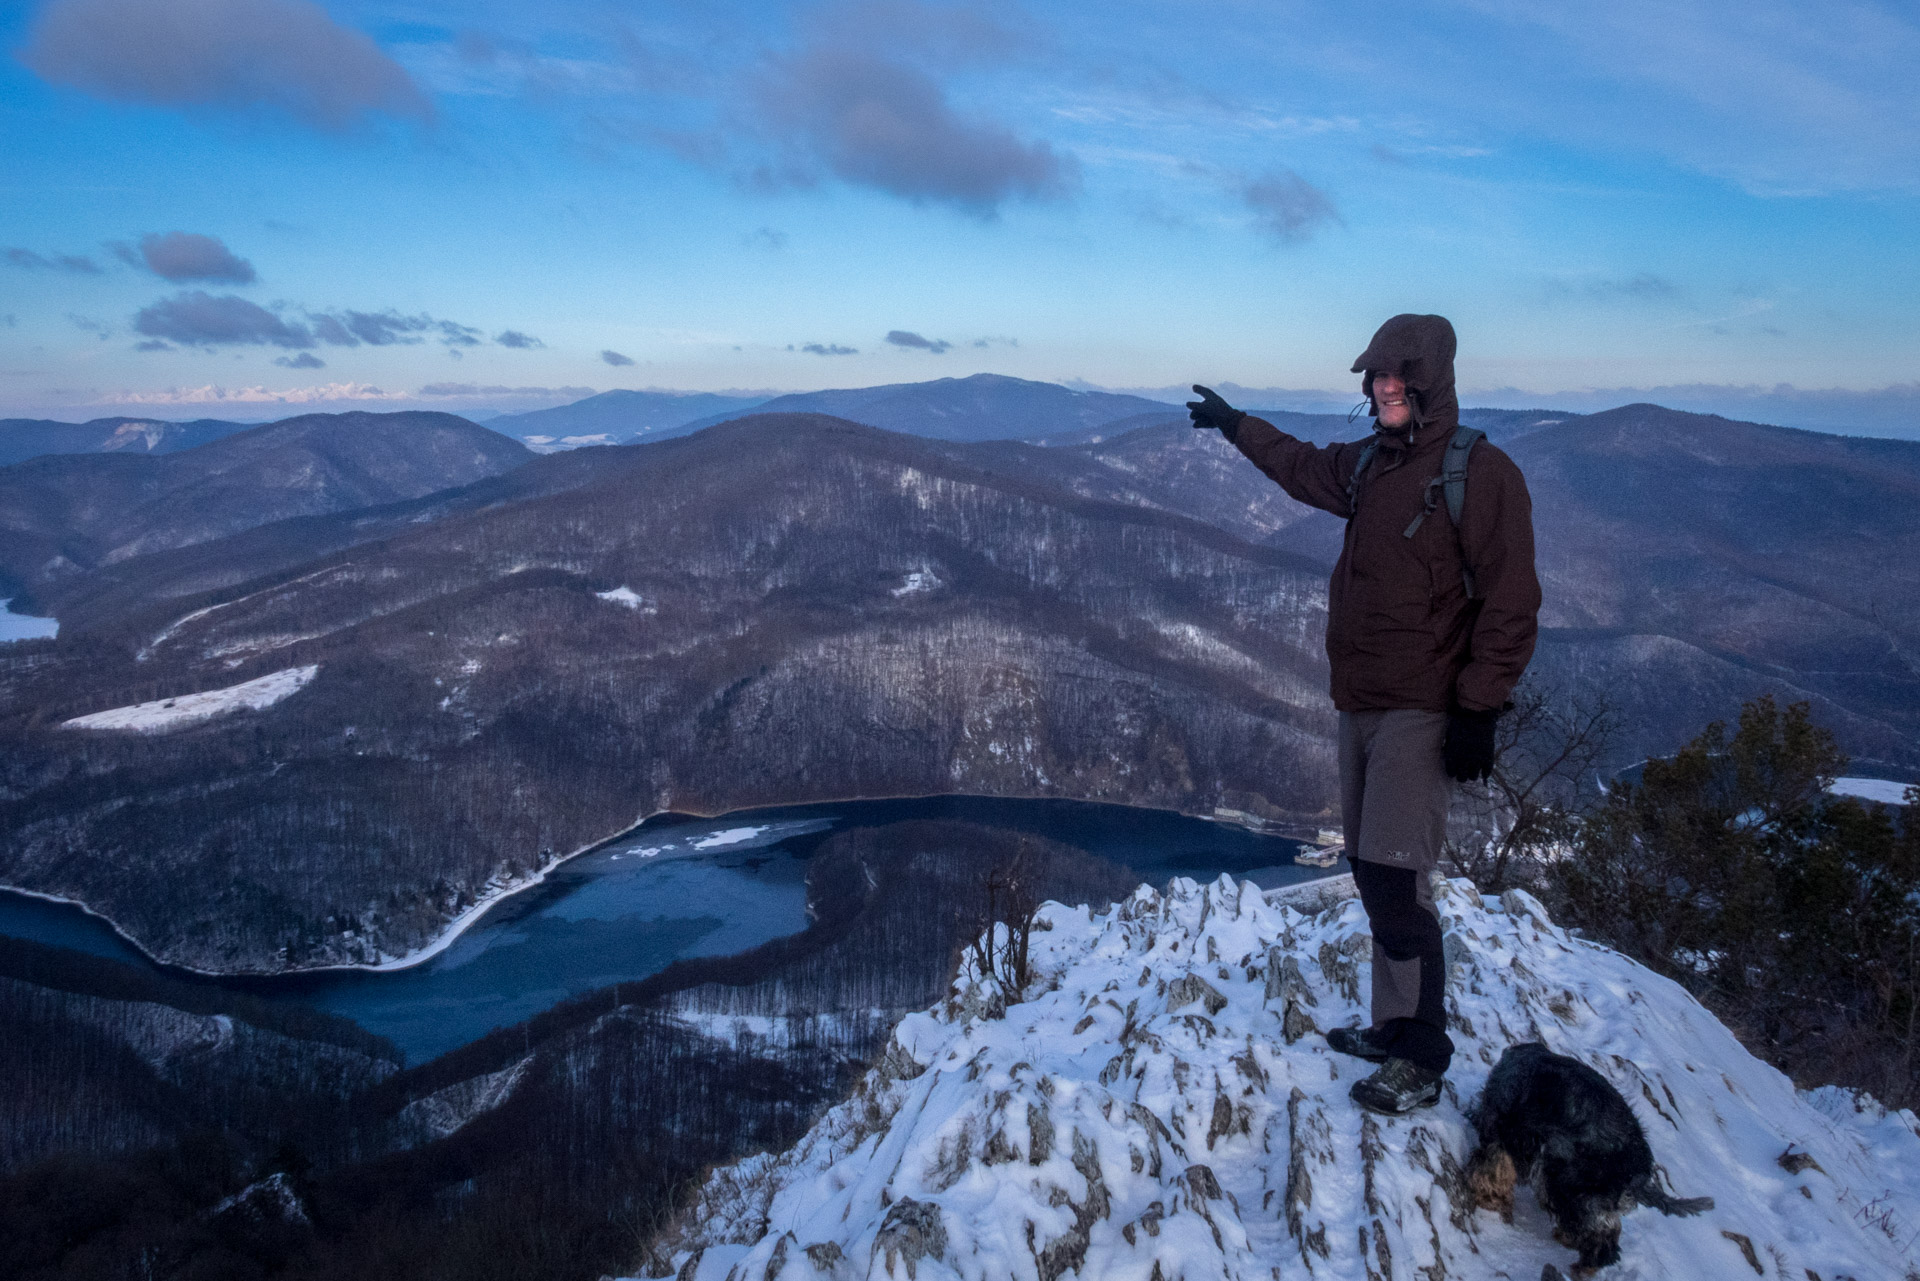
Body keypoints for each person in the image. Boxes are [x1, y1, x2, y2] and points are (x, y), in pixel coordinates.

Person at [1187, 313, 1541, 1114]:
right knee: (1371, 864)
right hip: (1362, 701)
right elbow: (1302, 466)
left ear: (1430, 382)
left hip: (1422, 706)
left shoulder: (1481, 474)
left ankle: (1422, 1051)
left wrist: (1479, 706)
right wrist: (1236, 425)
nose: (1384, 387)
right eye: (1376, 376)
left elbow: (1513, 598)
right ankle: (1393, 1024)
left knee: (1393, 873)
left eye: (1398, 377)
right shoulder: (1371, 466)